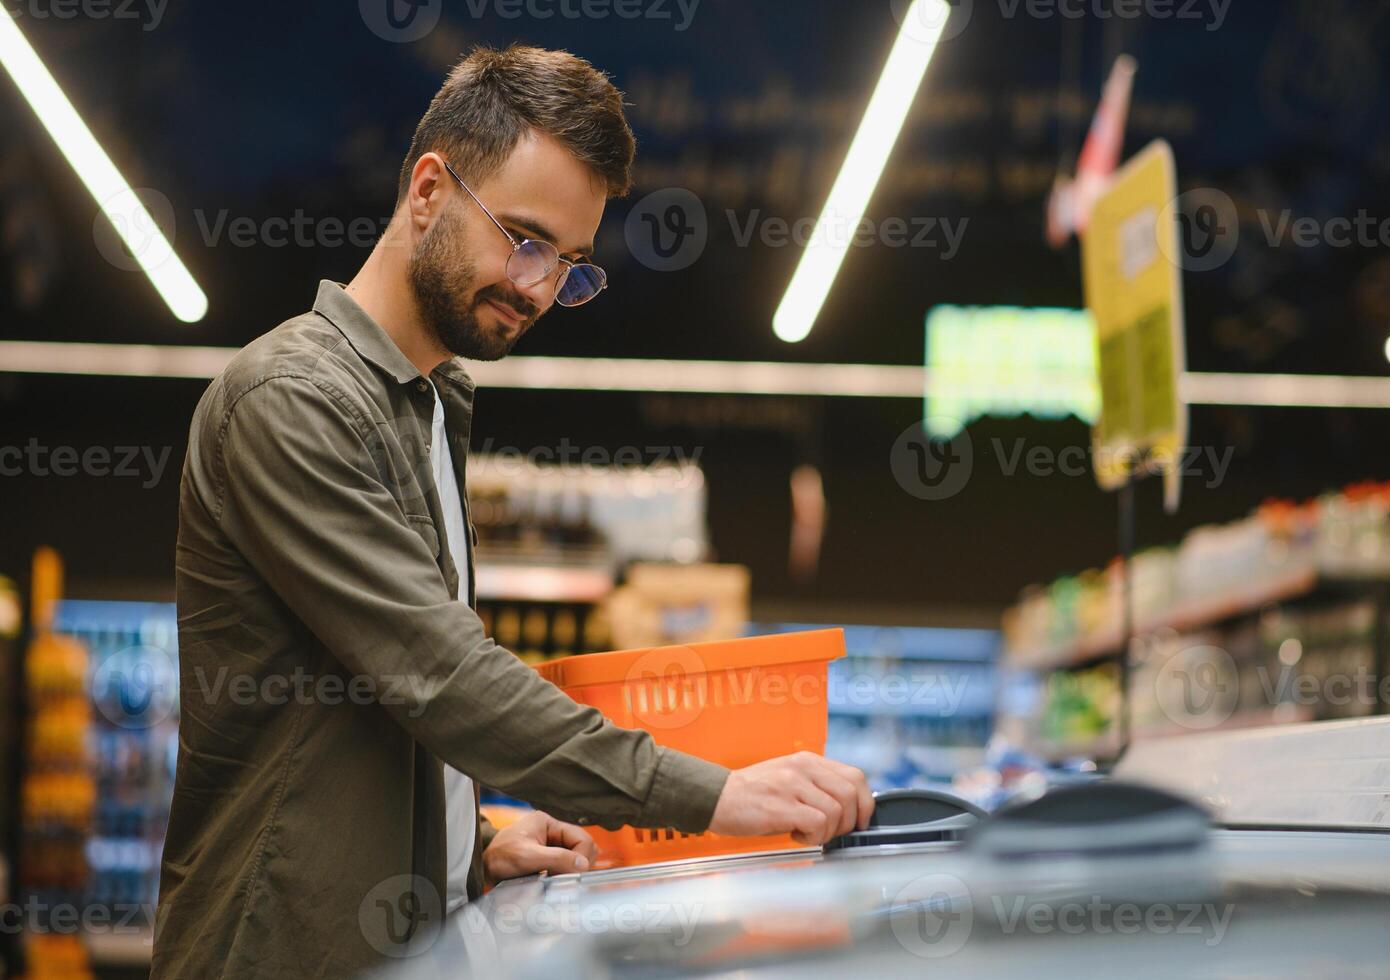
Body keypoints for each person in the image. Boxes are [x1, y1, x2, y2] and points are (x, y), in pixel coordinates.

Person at [153, 44, 873, 979]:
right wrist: (717, 793)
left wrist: (469, 842)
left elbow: (373, 716)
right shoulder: (291, 401)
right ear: (426, 191)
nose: (538, 289)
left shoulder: (429, 407)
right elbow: (440, 678)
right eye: (524, 239)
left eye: (569, 264)